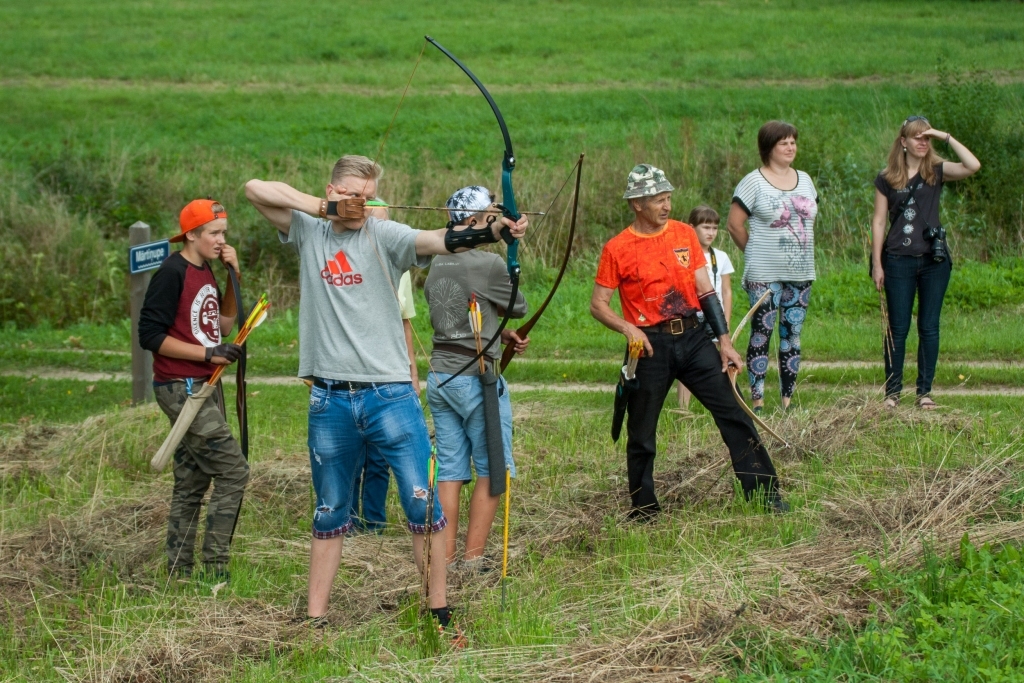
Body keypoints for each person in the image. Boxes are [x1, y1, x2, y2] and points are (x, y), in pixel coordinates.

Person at [244, 156, 529, 633]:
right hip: (329, 397)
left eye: (367, 194)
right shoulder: (308, 230)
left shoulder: (385, 235)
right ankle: (315, 620)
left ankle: (438, 610)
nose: (360, 202)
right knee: (330, 507)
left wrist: (496, 232)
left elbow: (441, 240)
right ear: (332, 189)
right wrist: (325, 209)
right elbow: (254, 187)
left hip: (391, 393)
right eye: (351, 192)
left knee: (421, 502)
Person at [590, 164, 787, 519]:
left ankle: (765, 495)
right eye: (658, 200)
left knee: (734, 413)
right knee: (642, 431)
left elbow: (706, 290)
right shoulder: (617, 248)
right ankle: (644, 508)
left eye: (668, 198)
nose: (666, 206)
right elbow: (598, 305)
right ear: (637, 203)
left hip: (695, 338)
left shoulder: (683, 234)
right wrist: (628, 329)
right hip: (649, 346)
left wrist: (724, 343)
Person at [138, 199, 249, 581]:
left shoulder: (206, 270)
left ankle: (178, 571)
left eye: (224, 234)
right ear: (191, 234)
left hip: (205, 383)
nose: (221, 241)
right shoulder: (172, 272)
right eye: (214, 234)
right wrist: (206, 354)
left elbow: (223, 322)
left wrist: (232, 274)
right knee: (234, 471)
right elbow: (149, 336)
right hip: (181, 386)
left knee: (192, 480)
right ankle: (216, 567)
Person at [423, 185, 530, 570]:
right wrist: (510, 257)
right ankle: (472, 560)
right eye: (489, 215)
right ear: (472, 221)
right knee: (492, 467)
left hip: (440, 377)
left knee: (450, 470)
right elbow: (518, 305)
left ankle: (444, 560)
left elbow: (456, 316)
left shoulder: (437, 260)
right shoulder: (485, 264)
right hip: (476, 378)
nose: (494, 220)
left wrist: (496, 333)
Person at [870, 116, 980, 409]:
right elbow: (879, 221)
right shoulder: (887, 177)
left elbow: (973, 165)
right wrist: (877, 263)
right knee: (898, 327)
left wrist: (944, 135)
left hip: (934, 260)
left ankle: (924, 392)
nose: (922, 141)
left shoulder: (936, 171)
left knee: (929, 327)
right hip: (897, 261)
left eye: (926, 137)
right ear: (903, 142)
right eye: (916, 137)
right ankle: (892, 393)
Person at [727, 121, 818, 413]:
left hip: (801, 273)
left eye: (793, 142)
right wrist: (754, 250)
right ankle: (758, 402)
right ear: (769, 148)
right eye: (784, 143)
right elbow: (734, 224)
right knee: (761, 334)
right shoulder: (752, 181)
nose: (791, 147)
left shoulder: (805, 179)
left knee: (792, 335)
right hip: (763, 274)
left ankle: (788, 401)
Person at [349, 270, 418, 534]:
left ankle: (374, 525)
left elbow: (405, 323)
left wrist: (412, 372)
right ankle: (349, 523)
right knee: (353, 458)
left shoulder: (402, 270)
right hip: (353, 376)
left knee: (379, 460)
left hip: (389, 377)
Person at [677, 205, 734, 411]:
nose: (711, 233)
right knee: (687, 361)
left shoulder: (721, 256)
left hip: (714, 316)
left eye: (715, 228)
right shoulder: (683, 255)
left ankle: (725, 403)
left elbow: (726, 291)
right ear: (691, 228)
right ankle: (683, 409)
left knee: (722, 359)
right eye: (706, 227)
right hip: (692, 314)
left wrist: (724, 321)